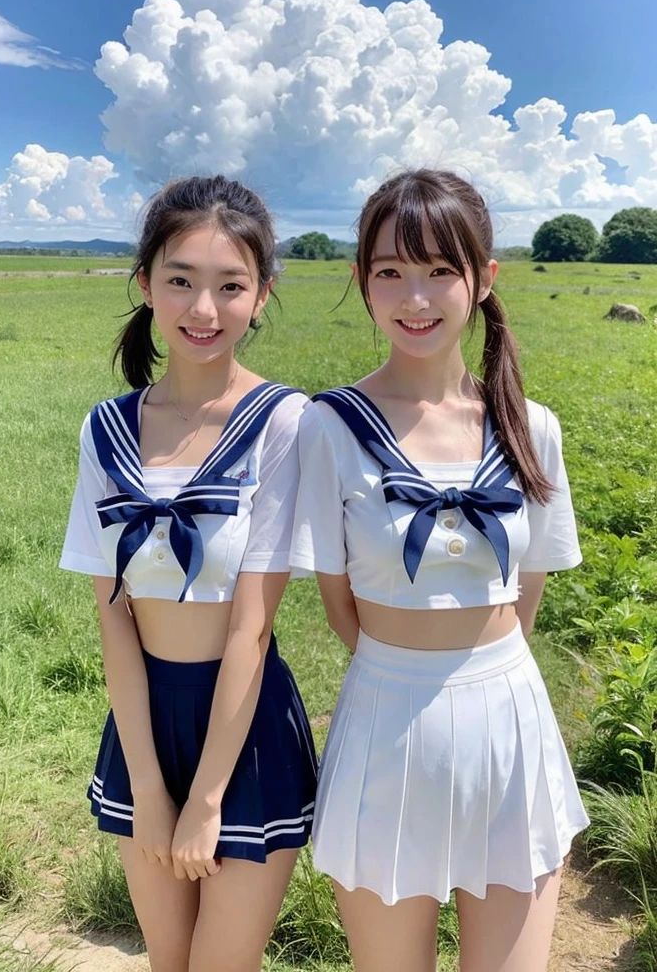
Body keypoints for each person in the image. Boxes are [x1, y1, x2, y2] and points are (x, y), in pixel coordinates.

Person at [290, 169, 589, 972]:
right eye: (390, 271)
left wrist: (482, 674)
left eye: (439, 270)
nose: (414, 297)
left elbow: (528, 597)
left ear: (483, 279)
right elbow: (338, 603)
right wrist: (408, 668)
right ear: (360, 280)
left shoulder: (533, 428)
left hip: (511, 722)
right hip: (386, 720)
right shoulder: (328, 427)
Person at [60, 175, 317, 972]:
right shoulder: (106, 430)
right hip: (144, 721)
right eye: (180, 281)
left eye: (230, 285)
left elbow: (253, 624)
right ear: (145, 284)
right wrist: (147, 785)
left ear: (262, 295)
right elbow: (112, 613)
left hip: (245, 726)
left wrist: (204, 799)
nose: (203, 310)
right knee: (169, 963)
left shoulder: (283, 420)